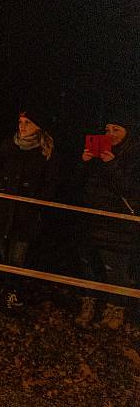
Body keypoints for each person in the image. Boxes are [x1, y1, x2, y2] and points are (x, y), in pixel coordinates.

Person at [0, 108, 59, 307]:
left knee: (17, 257)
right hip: (1, 209)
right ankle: (7, 289)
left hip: (26, 214)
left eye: (27, 122)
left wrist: (35, 202)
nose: (22, 126)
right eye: (21, 122)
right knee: (4, 254)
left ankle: (12, 292)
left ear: (37, 127)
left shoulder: (45, 151)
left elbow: (50, 184)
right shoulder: (9, 145)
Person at [75, 114, 139, 329]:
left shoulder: (134, 156)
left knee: (116, 268)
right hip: (91, 219)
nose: (109, 134)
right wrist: (83, 162)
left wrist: (111, 164)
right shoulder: (97, 153)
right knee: (89, 265)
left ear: (128, 133)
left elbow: (130, 189)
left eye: (116, 130)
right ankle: (89, 304)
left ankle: (115, 309)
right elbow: (78, 183)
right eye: (107, 129)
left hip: (117, 224)